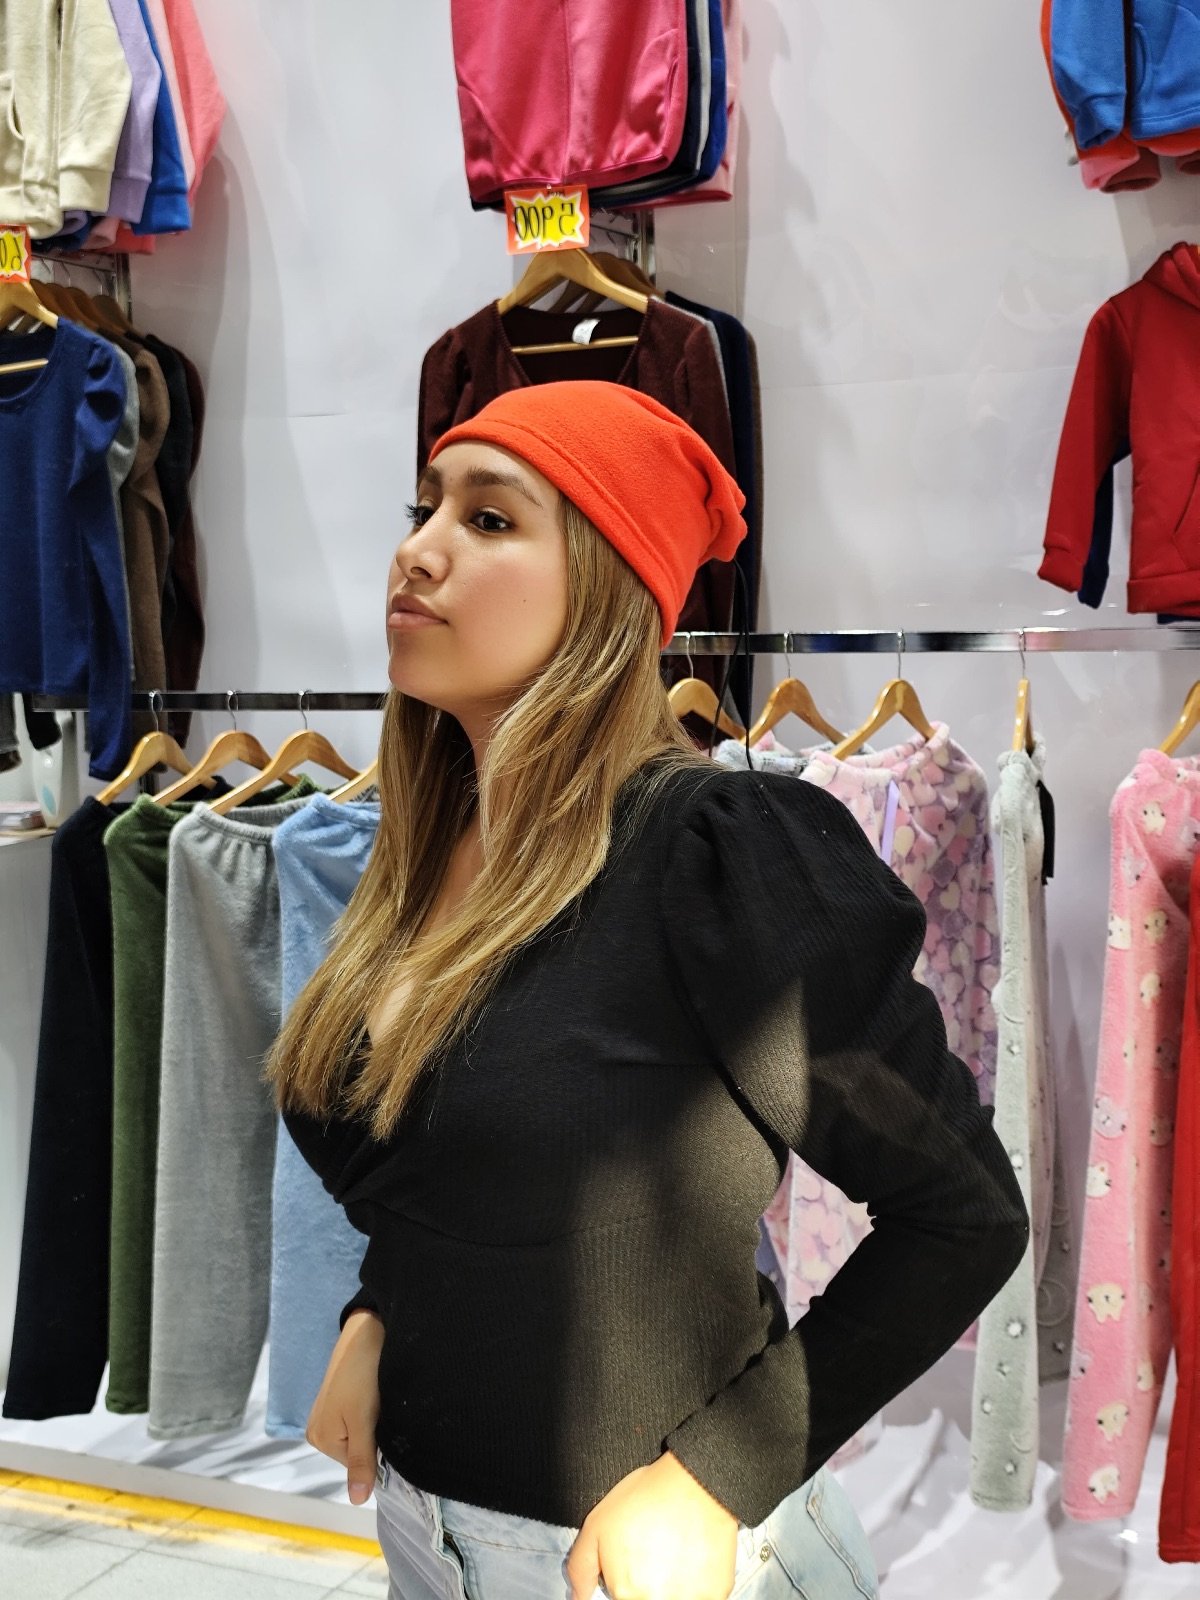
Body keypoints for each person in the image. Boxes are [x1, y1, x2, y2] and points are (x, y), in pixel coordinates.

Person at [269, 380, 1030, 1600]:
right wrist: (379, 1311)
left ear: (605, 593)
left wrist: (717, 1476)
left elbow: (966, 1214)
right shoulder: (426, 859)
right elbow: (451, 1166)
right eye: (425, 510)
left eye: (489, 518)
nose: (418, 550)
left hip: (653, 1559)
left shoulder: (718, 854)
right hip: (420, 1525)